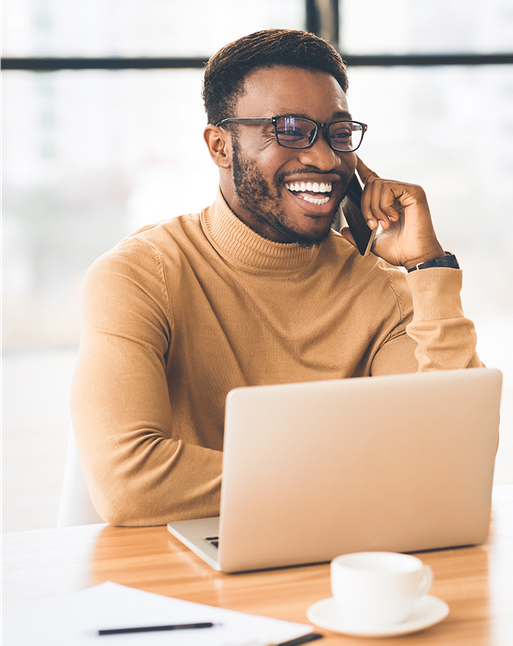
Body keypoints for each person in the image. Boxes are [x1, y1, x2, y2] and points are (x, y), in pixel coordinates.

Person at [70, 28, 483, 526]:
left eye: (339, 132)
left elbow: (456, 457)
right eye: (289, 129)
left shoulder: (381, 287)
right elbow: (130, 484)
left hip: (344, 562)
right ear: (220, 146)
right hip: (188, 567)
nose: (326, 159)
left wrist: (427, 268)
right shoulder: (139, 276)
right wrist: (367, 475)